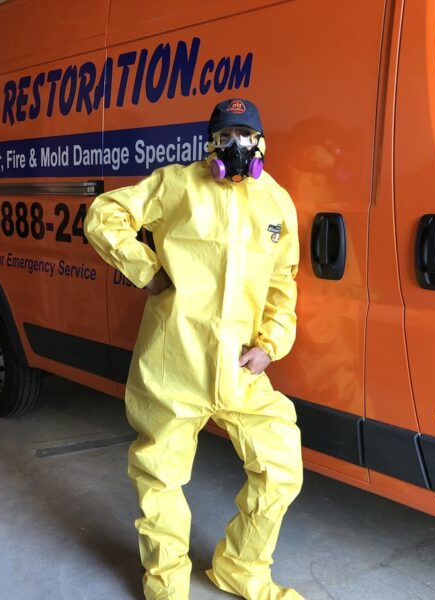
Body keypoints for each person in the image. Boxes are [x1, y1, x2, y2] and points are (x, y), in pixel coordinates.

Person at [86, 98, 303, 600]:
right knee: (159, 478)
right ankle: (166, 587)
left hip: (238, 367)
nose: (237, 146)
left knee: (280, 467)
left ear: (261, 143)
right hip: (173, 362)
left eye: (245, 136)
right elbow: (105, 214)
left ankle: (241, 570)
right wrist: (145, 269)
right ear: (212, 145)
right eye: (226, 137)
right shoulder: (176, 184)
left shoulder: (277, 202)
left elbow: (282, 283)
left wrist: (270, 345)